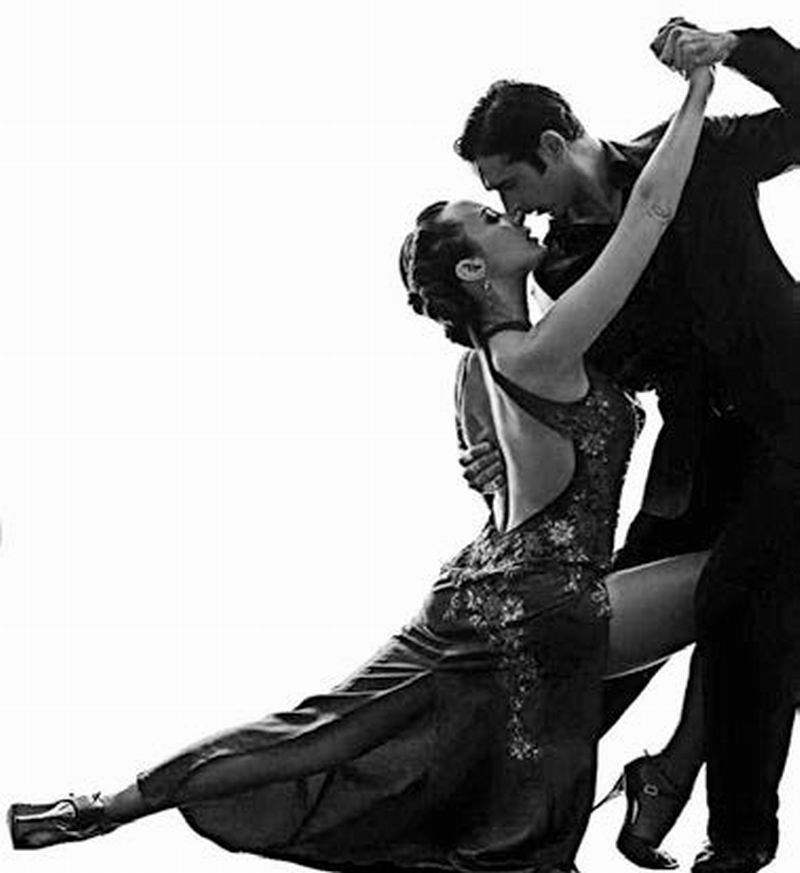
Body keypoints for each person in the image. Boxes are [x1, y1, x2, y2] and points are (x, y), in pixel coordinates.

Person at [7, 64, 713, 873]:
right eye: (490, 216)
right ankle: (672, 770)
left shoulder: (481, 365)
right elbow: (649, 212)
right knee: (757, 586)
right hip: (549, 602)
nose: (513, 213)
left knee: (318, 729)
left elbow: (500, 482)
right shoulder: (539, 352)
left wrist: (492, 467)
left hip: (488, 588)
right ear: (475, 270)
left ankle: (100, 808)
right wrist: (699, 89)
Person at [455, 18, 800, 873]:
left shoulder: (696, 153)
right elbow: (583, 385)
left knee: (743, 599)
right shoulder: (556, 266)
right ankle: (490, 809)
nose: (512, 210)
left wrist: (741, 47)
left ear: (551, 145)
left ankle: (739, 838)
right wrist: (502, 450)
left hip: (796, 420)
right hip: (696, 455)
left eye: (510, 185)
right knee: (588, 625)